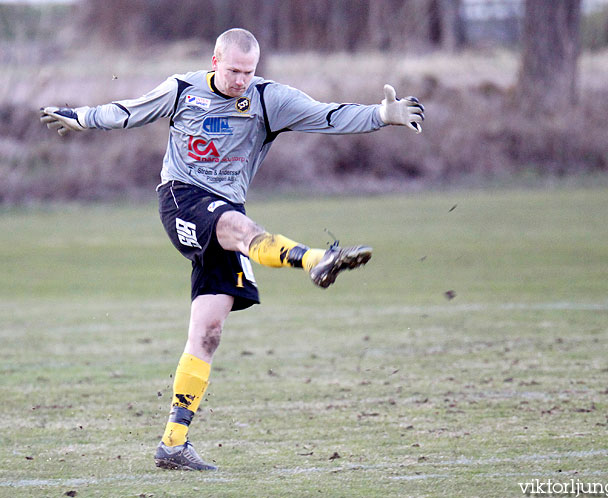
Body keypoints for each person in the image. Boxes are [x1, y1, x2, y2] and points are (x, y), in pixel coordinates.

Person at [40, 28, 424, 471]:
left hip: (228, 208)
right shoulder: (183, 89)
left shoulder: (267, 99)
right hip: (182, 198)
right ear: (214, 61)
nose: (242, 80)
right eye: (235, 70)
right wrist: (82, 117)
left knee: (208, 331)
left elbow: (329, 116)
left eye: (249, 71)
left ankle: (173, 444)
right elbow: (130, 111)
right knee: (241, 228)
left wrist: (382, 114)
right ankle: (318, 260)